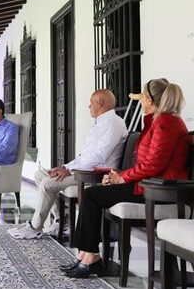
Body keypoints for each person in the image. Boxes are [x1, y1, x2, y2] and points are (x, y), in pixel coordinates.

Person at [64, 79, 190, 278]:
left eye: (142, 97)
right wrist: (118, 176)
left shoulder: (166, 123)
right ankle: (85, 254)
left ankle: (91, 257)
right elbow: (146, 163)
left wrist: (122, 179)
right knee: (94, 194)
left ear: (149, 100)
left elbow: (152, 165)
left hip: (157, 190)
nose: (140, 101)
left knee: (91, 195)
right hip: (148, 185)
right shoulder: (159, 121)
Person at [8, 89, 128, 239]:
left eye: (91, 103)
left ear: (100, 103)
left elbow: (99, 156)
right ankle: (61, 221)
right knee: (40, 174)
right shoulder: (101, 123)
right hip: (84, 169)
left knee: (47, 184)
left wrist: (71, 171)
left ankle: (35, 227)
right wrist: (65, 167)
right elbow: (84, 157)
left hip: (95, 174)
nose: (88, 107)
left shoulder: (114, 123)